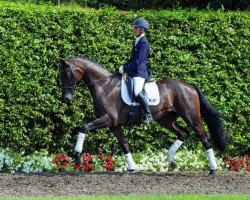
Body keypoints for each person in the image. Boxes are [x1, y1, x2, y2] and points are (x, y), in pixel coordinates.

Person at [119, 17, 153, 124]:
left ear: (142, 30)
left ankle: (148, 115)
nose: (133, 29)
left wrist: (125, 68)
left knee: (136, 90)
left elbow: (138, 61)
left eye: (135, 28)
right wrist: (123, 66)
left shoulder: (144, 43)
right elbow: (132, 59)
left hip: (139, 73)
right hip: (133, 72)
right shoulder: (137, 41)